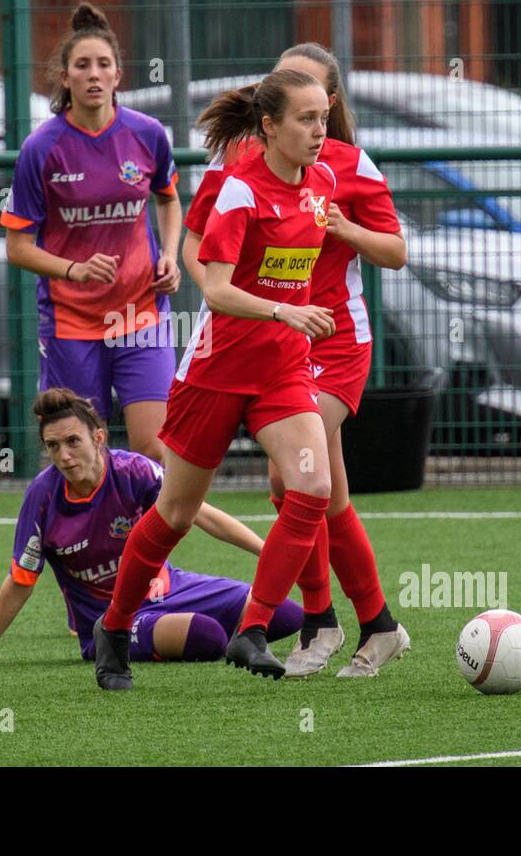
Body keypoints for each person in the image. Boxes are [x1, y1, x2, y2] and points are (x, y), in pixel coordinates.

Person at [92, 68, 339, 690]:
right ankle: (115, 627)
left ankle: (252, 629)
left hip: (282, 370)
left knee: (311, 485)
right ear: (269, 127)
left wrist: (308, 313)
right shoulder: (238, 192)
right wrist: (287, 309)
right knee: (175, 512)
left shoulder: (323, 183)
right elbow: (221, 288)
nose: (319, 130)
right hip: (217, 372)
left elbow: (300, 267)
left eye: (323, 117)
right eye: (306, 120)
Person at [181, 43, 411, 679]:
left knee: (297, 480)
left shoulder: (345, 165)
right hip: (277, 340)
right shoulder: (245, 163)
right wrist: (215, 291)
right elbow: (198, 235)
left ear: (329, 103)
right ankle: (365, 624)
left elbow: (395, 250)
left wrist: (346, 230)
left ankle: (327, 622)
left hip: (335, 340)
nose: (304, 110)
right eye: (286, 89)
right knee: (314, 484)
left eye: (313, 95)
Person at [1, 1, 262, 557]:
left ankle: (150, 562)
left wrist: (167, 256)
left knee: (152, 451)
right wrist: (72, 268)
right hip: (71, 323)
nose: (94, 75)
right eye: (82, 66)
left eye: (103, 65)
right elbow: (18, 247)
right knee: (81, 456)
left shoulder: (146, 135)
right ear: (65, 77)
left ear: (119, 74)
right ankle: (93, 567)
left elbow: (169, 202)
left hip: (140, 317)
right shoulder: (41, 149)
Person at [0, 389, 303, 670]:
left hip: (173, 588)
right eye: (52, 446)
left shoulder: (134, 471)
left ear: (98, 438)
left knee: (287, 615)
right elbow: (21, 581)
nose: (64, 455)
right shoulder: (42, 497)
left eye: (73, 441)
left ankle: (220, 631)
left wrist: (268, 551)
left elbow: (201, 513)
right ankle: (127, 640)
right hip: (111, 621)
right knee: (206, 636)